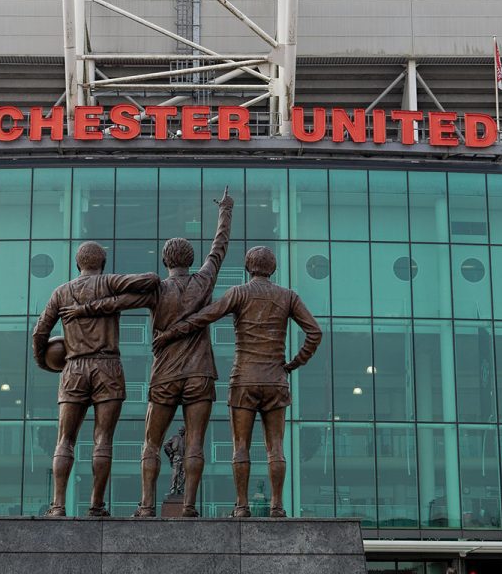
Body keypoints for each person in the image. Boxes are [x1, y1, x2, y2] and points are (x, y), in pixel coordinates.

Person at [59, 188, 233, 517]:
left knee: (152, 443)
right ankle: (189, 507)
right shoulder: (204, 280)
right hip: (200, 373)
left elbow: (117, 303)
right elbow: (219, 247)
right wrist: (226, 211)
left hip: (165, 374)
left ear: (165, 261)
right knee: (195, 442)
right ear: (190, 260)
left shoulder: (157, 290)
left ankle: (147, 506)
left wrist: (83, 309)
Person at [153, 246, 322, 518]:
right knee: (276, 447)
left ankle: (242, 506)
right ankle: (277, 506)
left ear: (247, 268)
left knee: (240, 446)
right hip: (275, 379)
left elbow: (203, 317)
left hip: (244, 379)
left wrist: (170, 333)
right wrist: (294, 362)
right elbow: (315, 332)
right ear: (273, 268)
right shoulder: (288, 296)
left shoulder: (238, 293)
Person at [32, 241, 160, 517]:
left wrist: (44, 362)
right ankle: (96, 505)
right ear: (102, 264)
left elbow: (40, 332)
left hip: (73, 368)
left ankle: (58, 505)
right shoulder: (110, 283)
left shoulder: (61, 292)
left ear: (78, 264)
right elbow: (151, 280)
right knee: (103, 439)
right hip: (107, 366)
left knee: (65, 440)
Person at [163, 426, 186, 496]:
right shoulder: (174, 437)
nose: (181, 432)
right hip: (176, 457)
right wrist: (171, 452)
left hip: (184, 458)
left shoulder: (187, 439)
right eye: (180, 430)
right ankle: (172, 489)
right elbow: (165, 444)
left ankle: (180, 489)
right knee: (175, 474)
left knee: (183, 475)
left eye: (182, 430)